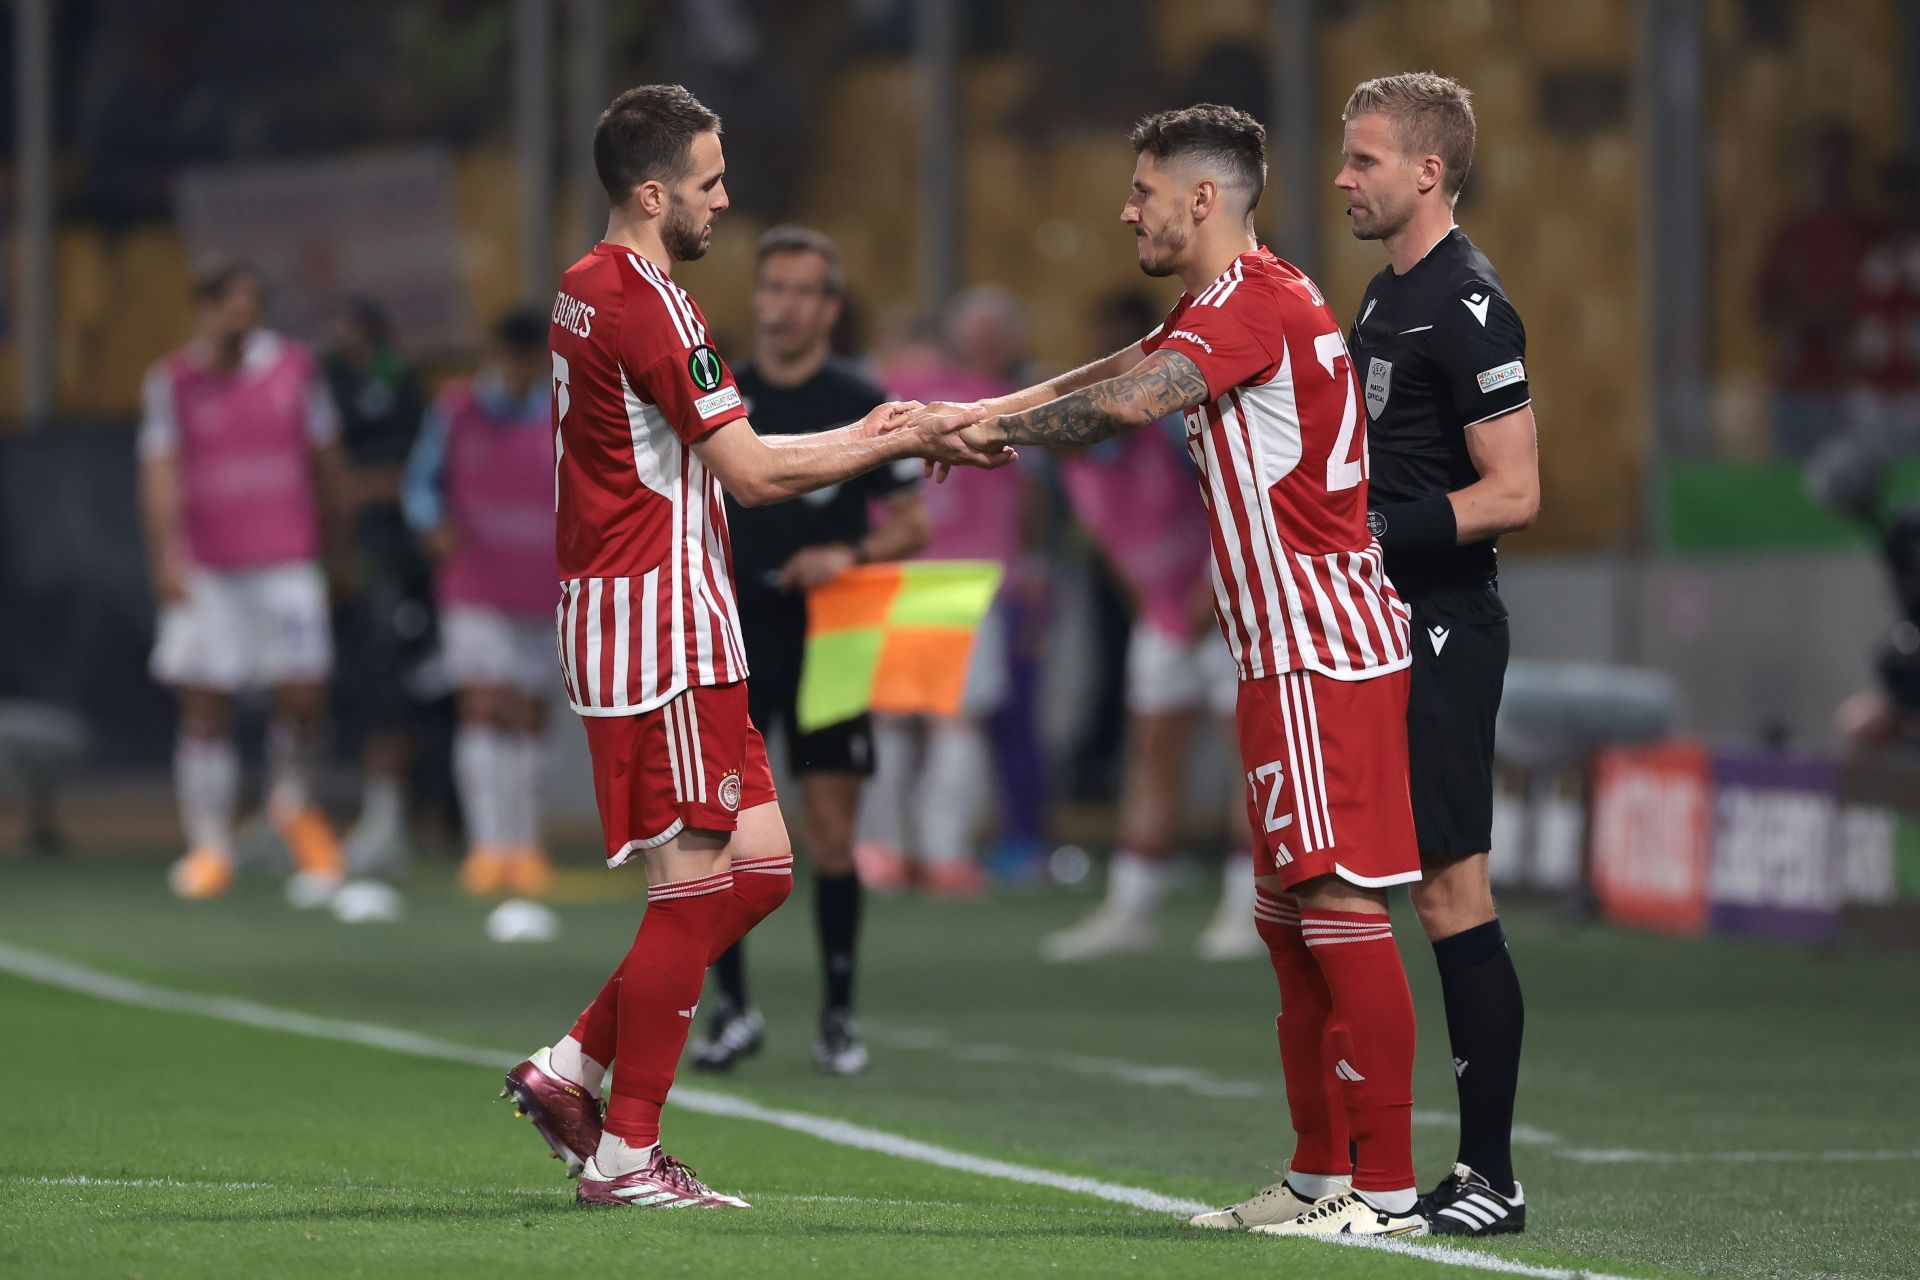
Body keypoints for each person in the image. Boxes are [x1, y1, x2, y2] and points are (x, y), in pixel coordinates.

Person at [912, 103, 1427, 1239]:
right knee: (1289, 920)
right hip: (1272, 651)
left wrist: (981, 432)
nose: (1126, 209)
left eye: (1143, 191)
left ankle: (1385, 1190)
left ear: (1202, 199)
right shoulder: (1229, 304)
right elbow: (1126, 364)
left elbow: (1126, 402)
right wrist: (982, 411)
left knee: (1337, 905)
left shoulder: (1258, 303)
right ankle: (1314, 1172)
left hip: (1317, 647)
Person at [495, 83, 999, 1211]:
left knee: (763, 865)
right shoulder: (656, 308)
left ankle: (574, 1064)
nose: (727, 200)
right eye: (711, 182)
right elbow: (753, 472)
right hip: (663, 624)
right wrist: (898, 436)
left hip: (661, 617)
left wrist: (873, 429)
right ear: (652, 190)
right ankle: (628, 1156)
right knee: (691, 886)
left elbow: (729, 450)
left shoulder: (582, 289)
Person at [1336, 71, 1541, 1234]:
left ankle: (1492, 1175)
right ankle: (1353, 1161)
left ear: (1428, 170)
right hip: (1381, 620)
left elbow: (1515, 490)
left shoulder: (1469, 305)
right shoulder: (1384, 298)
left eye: (1364, 158)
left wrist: (1369, 529)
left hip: (1447, 624)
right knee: (1372, 881)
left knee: (1454, 890)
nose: (1343, 177)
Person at [692, 225, 930, 1076]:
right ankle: (733, 1010)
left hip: (838, 627)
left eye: (802, 291)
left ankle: (837, 1015)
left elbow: (914, 520)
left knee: (831, 827)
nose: (782, 306)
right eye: (772, 288)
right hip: (735, 630)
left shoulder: (860, 397)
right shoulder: (722, 395)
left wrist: (849, 555)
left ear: (829, 307)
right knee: (716, 827)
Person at [1044, 295, 1258, 963]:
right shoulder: (1074, 457)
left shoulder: (1179, 428)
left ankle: (1248, 910)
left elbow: (1234, 503)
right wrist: (1151, 602)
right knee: (1151, 758)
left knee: (1249, 763)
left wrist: (1206, 595)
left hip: (1230, 609)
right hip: (1164, 620)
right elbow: (1111, 543)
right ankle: (1130, 909)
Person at [139, 257, 351, 903]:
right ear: (203, 309)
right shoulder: (171, 380)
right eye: (229, 302)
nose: (241, 314)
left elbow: (326, 460)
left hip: (286, 562)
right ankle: (208, 847)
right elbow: (159, 470)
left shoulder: (294, 370)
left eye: (251, 302)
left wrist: (339, 548)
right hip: (210, 567)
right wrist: (164, 557)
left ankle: (290, 805)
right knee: (205, 703)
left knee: (303, 693)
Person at [857, 294, 1039, 897]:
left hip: (885, 567)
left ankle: (882, 853)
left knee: (886, 720)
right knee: (955, 723)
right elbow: (1022, 494)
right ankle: (946, 856)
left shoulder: (869, 393)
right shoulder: (985, 395)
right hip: (967, 572)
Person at [403, 309, 559, 899]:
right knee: (481, 701)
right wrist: (431, 523)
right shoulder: (457, 410)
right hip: (474, 579)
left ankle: (525, 844)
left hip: (541, 581)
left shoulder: (562, 412)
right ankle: (488, 845)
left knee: (527, 710)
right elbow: (421, 482)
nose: (519, 368)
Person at [321, 298, 434, 877]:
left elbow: (409, 473)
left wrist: (366, 487)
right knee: (348, 686)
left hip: (394, 558)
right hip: (341, 558)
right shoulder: (325, 383)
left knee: (392, 684)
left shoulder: (401, 385)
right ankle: (301, 815)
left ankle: (390, 817)